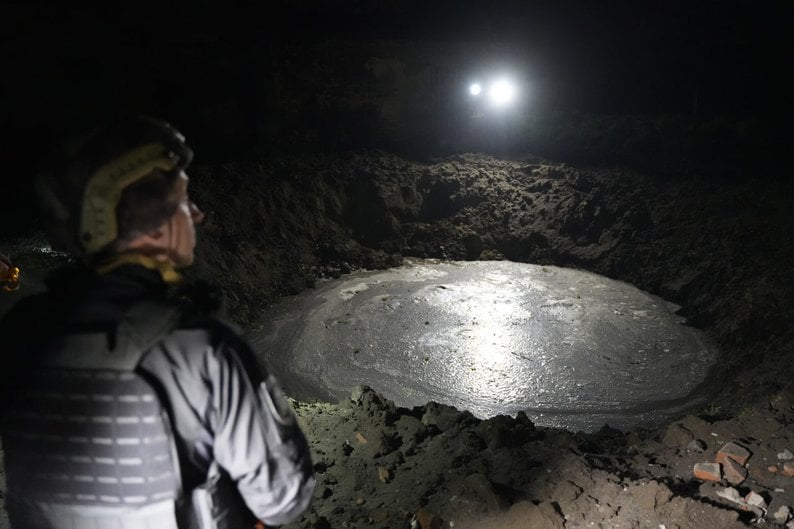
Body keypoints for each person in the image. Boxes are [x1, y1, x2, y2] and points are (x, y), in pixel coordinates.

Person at [0, 116, 315, 529]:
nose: (197, 213)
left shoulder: (18, 333)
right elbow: (283, 498)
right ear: (153, 225)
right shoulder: (202, 349)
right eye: (184, 199)